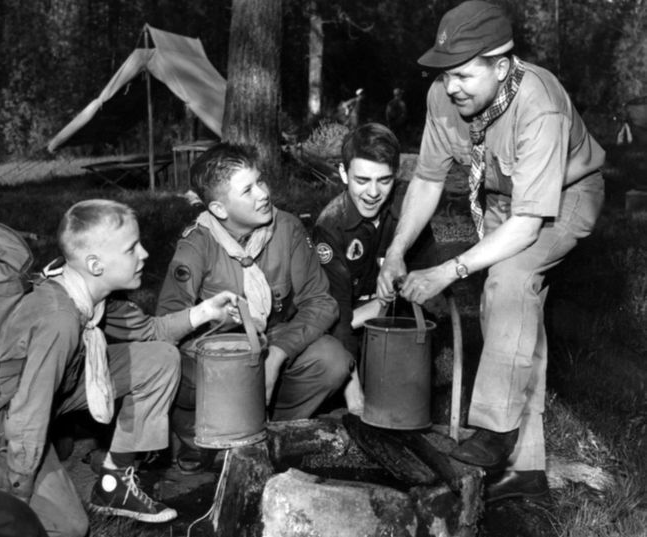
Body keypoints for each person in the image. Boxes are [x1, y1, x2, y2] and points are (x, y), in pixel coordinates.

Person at [377, 1, 605, 501]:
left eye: (462, 75)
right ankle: (526, 467)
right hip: (506, 196)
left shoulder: (538, 104)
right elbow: (428, 180)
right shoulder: (444, 96)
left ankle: (497, 430)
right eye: (445, 74)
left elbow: (527, 227)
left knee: (510, 280)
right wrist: (396, 250)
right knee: (511, 312)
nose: (450, 86)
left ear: (501, 68)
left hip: (567, 195)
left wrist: (448, 270)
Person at [0, 199, 238, 537]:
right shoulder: (58, 319)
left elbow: (152, 332)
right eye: (131, 248)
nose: (144, 254)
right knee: (67, 529)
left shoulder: (95, 296)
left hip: (56, 393)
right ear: (95, 264)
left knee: (161, 359)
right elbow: (28, 413)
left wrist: (207, 310)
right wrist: (19, 488)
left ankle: (115, 482)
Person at [156, 142, 353, 473]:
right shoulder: (197, 244)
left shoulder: (286, 228)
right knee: (167, 366)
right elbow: (166, 323)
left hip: (270, 339)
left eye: (260, 181)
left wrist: (277, 352)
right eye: (247, 190)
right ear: (220, 210)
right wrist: (224, 357)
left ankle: (273, 433)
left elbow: (320, 302)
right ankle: (200, 439)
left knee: (333, 360)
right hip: (214, 358)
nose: (262, 194)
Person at [312, 123, 438, 413]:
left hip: (396, 318)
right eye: (362, 180)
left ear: (397, 175)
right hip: (346, 328)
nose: (372, 192)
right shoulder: (331, 227)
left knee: (404, 401)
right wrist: (352, 389)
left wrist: (384, 305)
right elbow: (337, 317)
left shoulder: (410, 212)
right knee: (347, 399)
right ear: (344, 174)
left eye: (384, 180)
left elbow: (425, 284)